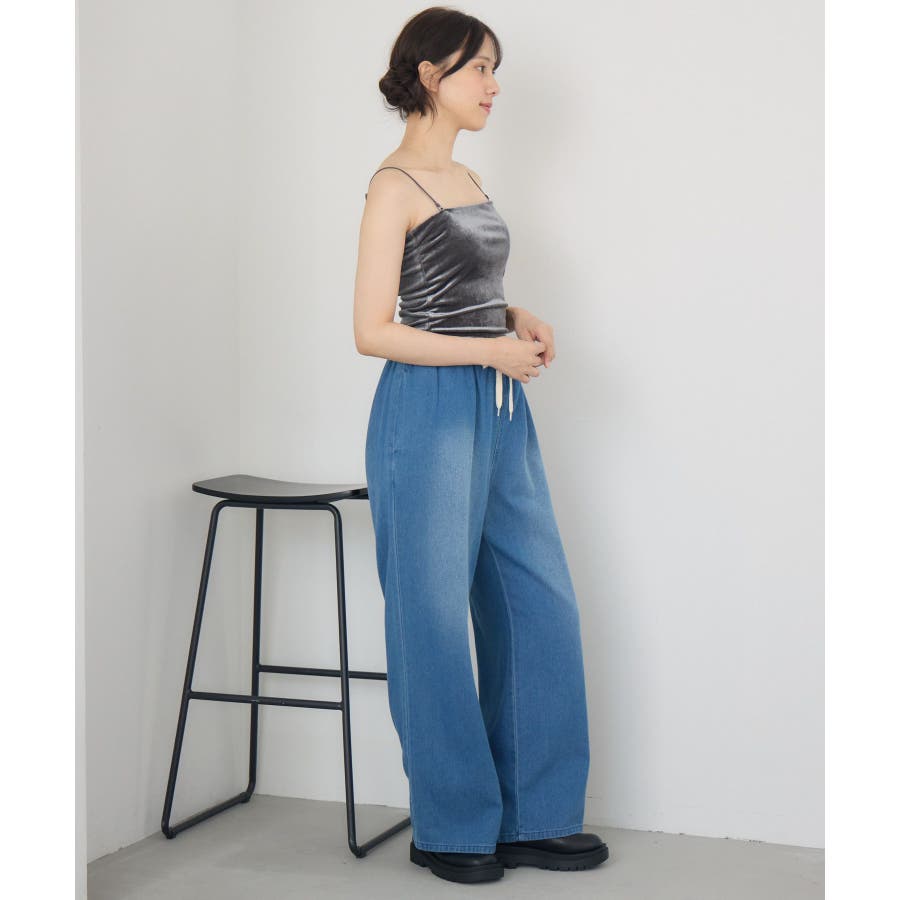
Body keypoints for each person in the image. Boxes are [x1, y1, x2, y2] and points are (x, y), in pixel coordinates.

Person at [353, 6, 609, 885]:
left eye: (496, 69)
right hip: (425, 409)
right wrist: (487, 349)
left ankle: (533, 815)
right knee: (429, 617)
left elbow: (455, 288)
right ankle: (451, 824)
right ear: (431, 75)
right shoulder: (393, 186)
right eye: (480, 69)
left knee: (537, 602)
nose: (494, 86)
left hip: (498, 405)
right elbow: (372, 330)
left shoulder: (465, 177)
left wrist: (512, 314)